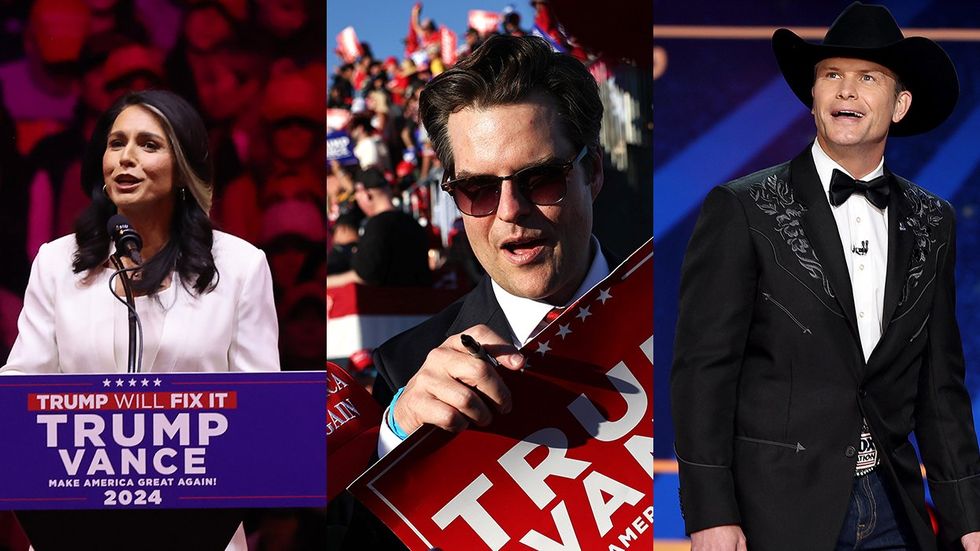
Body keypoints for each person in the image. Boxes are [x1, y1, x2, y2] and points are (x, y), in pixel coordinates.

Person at [670, 3, 980, 550]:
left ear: (900, 104)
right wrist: (710, 514)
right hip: (775, 513)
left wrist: (969, 519)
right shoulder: (743, 208)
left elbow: (940, 388)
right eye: (831, 75)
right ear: (813, 96)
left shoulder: (935, 220)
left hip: (893, 506)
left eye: (867, 78)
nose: (844, 91)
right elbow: (703, 373)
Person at [1, 89, 279, 551]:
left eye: (149, 145)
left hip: (200, 526)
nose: (126, 158)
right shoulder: (56, 262)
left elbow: (261, 411)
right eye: (116, 143)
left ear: (184, 167)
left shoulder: (241, 266)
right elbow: (20, 392)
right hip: (73, 523)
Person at [326, 167, 431, 289]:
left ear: (366, 194)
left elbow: (365, 275)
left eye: (357, 195)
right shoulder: (413, 224)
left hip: (388, 304)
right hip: (418, 303)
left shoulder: (378, 225)